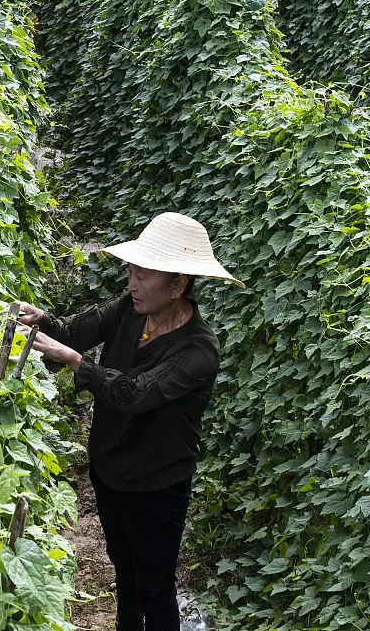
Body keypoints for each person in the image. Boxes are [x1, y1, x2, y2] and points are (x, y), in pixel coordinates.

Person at [14, 212, 244, 631]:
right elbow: (73, 330)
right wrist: (42, 322)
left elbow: (134, 394)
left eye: (143, 275)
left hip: (158, 484)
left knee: (155, 588)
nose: (131, 284)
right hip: (110, 468)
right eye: (131, 271)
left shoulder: (198, 351)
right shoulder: (128, 310)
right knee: (124, 572)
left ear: (177, 286)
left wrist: (74, 361)